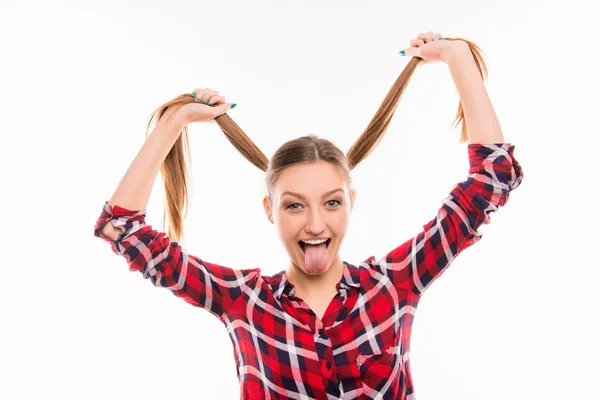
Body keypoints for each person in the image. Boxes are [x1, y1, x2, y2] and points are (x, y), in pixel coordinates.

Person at [94, 32, 524, 399]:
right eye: (294, 205)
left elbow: (492, 179)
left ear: (351, 202)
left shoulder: (395, 284)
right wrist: (175, 122)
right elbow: (121, 227)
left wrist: (457, 56)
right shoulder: (243, 301)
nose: (315, 225)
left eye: (332, 202)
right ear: (270, 210)